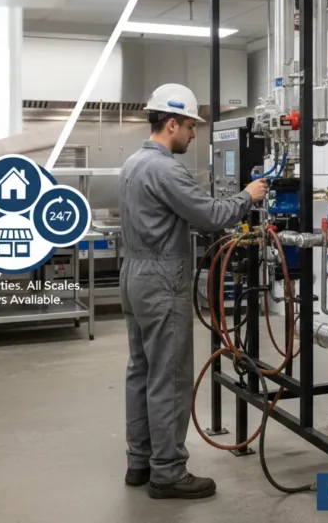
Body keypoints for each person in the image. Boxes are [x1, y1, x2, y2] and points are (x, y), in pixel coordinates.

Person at [118, 83, 268, 499]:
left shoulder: (132, 163)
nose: (193, 134)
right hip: (161, 280)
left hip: (134, 276)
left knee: (141, 371)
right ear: (170, 123)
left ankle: (140, 462)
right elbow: (209, 216)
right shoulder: (165, 169)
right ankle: (167, 473)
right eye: (189, 126)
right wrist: (247, 195)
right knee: (170, 377)